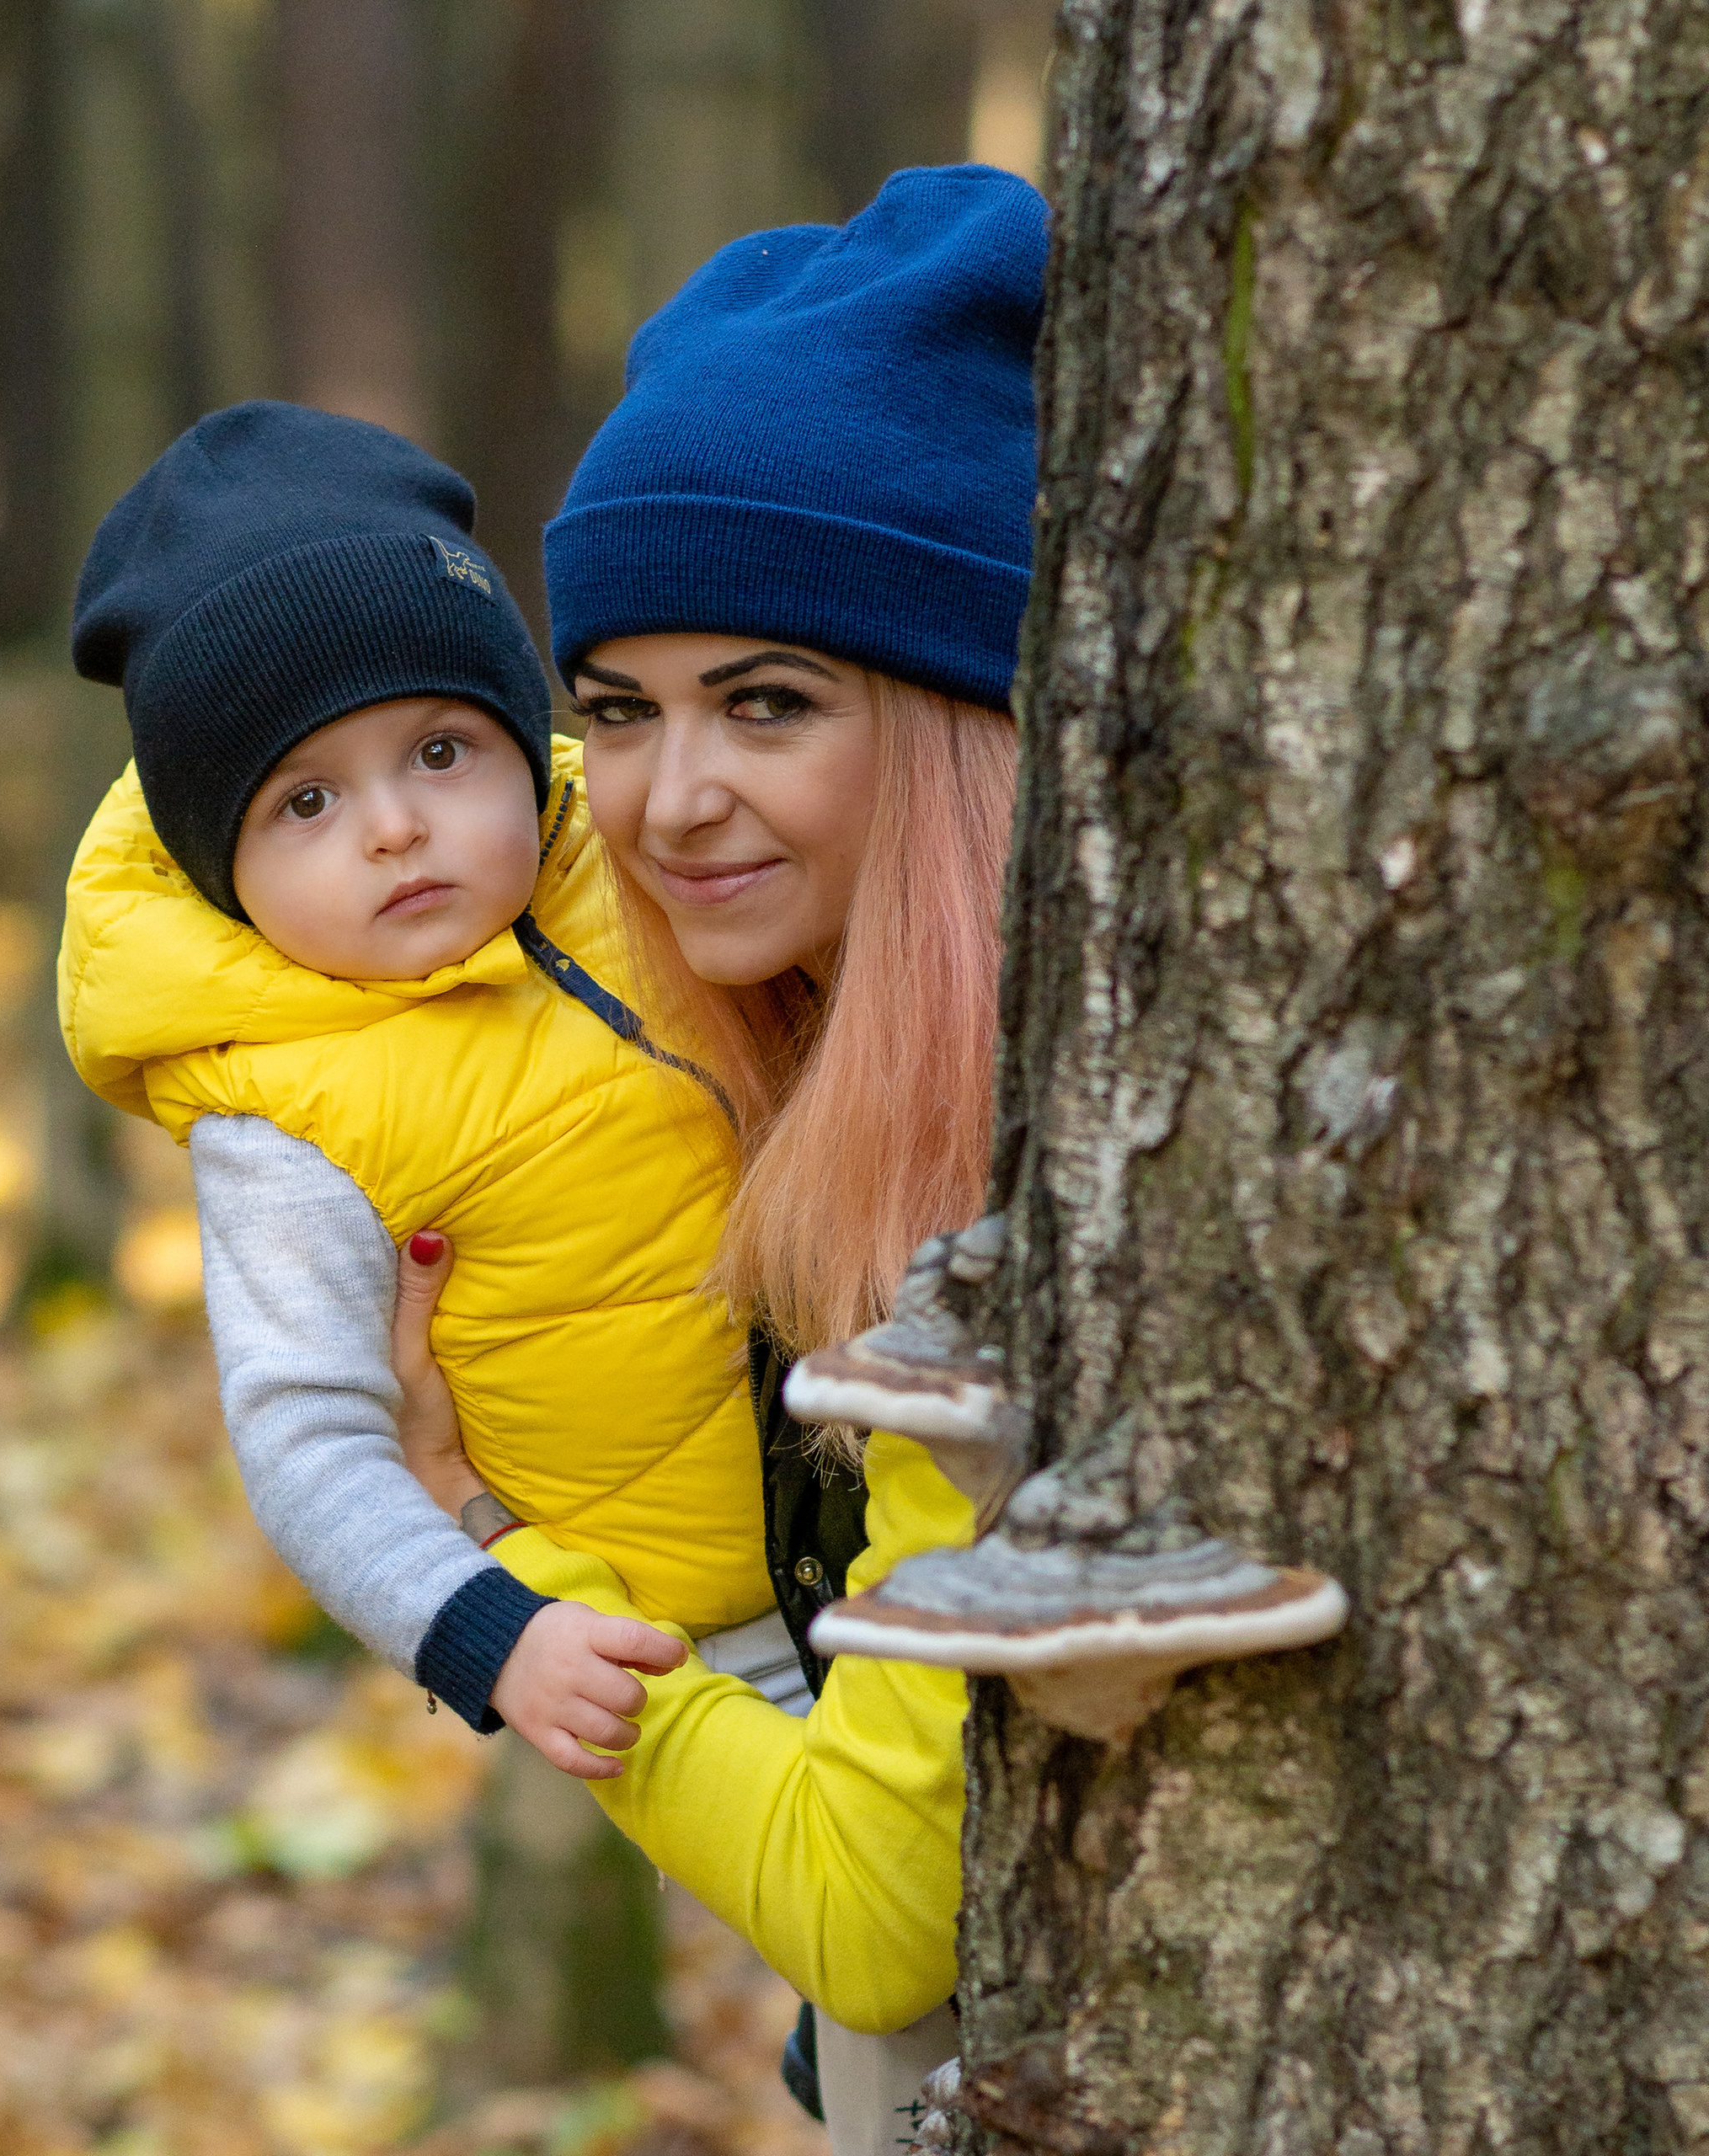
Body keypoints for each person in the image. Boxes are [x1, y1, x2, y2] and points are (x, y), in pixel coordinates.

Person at [387, 163, 1047, 2155]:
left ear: (954, 721)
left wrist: (510, 1572)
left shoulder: (987, 1204)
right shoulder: (764, 1107)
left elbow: (862, 1910)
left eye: (766, 703)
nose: (668, 801)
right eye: (615, 712)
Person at [61, 401, 833, 1779]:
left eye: (438, 751)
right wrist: (492, 1633)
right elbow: (308, 1439)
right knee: (883, 1948)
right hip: (675, 1634)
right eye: (306, 803)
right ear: (215, 872)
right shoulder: (283, 1111)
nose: (398, 826)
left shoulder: (649, 860)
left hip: (895, 1515)